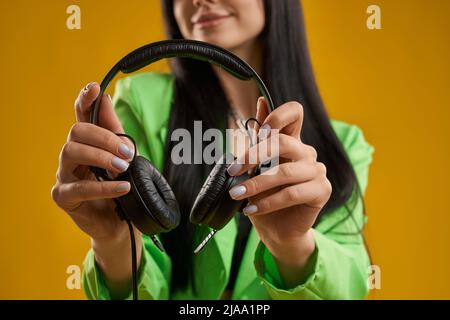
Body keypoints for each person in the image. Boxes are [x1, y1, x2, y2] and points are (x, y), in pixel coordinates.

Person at [51, 0, 374, 300]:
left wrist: (291, 245)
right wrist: (112, 241)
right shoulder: (141, 102)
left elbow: (350, 288)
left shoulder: (345, 144)